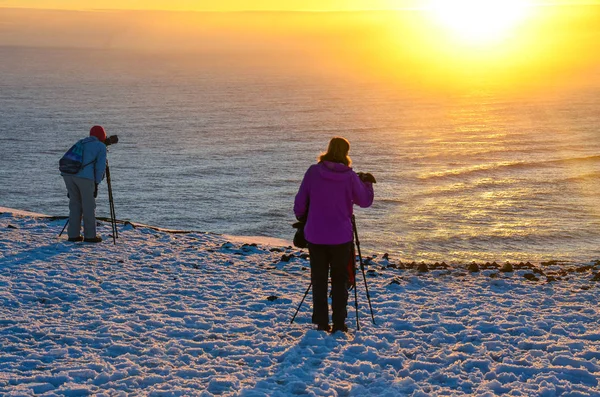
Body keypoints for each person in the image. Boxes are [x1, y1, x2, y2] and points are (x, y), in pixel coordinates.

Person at [294, 137, 374, 333]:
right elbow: (364, 201)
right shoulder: (350, 176)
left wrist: (304, 217)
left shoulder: (313, 172)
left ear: (328, 150)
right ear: (346, 153)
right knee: (340, 280)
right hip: (341, 237)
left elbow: (299, 204)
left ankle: (321, 322)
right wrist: (367, 184)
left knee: (319, 279)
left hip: (316, 235)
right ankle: (339, 323)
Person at [61, 125, 107, 243]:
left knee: (75, 205)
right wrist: (96, 183)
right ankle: (90, 236)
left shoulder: (81, 142)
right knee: (88, 207)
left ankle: (73, 235)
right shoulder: (101, 147)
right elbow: (100, 168)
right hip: (85, 178)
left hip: (69, 175)